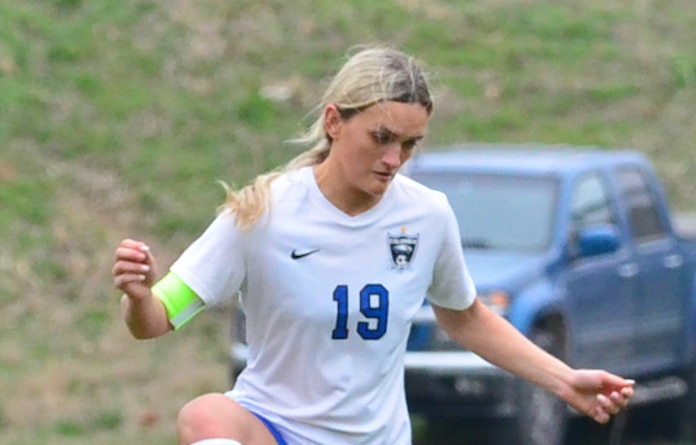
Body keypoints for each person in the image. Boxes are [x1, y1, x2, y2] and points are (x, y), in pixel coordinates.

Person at [112, 46, 634, 445]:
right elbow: (158, 317)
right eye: (381, 138)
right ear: (336, 122)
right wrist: (139, 296)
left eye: (408, 144)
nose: (394, 158)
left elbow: (466, 317)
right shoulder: (261, 213)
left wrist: (564, 381)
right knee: (206, 416)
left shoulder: (426, 216)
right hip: (277, 428)